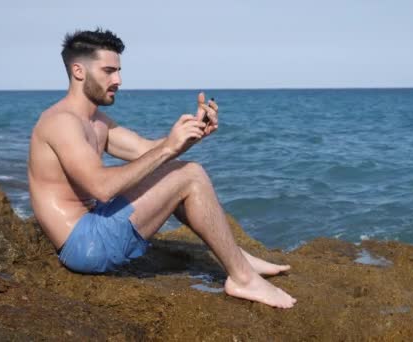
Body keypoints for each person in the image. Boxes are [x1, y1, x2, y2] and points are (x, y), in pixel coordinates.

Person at [27, 28, 296, 309]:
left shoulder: (96, 121)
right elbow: (102, 188)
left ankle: (235, 256)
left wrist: (191, 134)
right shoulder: (61, 122)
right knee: (189, 174)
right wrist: (169, 147)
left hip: (94, 225)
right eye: (108, 71)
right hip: (84, 245)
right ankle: (242, 278)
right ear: (79, 71)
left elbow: (145, 151)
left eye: (118, 71)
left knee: (177, 171)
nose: (118, 80)